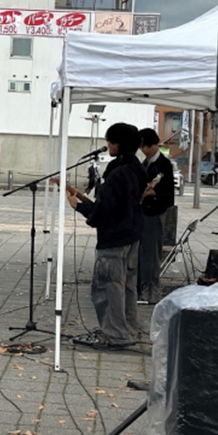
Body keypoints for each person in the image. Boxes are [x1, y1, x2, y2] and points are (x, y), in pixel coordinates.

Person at [62, 123, 146, 350]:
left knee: (108, 287)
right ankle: (129, 329)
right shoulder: (136, 168)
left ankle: (115, 335)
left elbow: (106, 211)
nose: (108, 145)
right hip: (132, 234)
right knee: (126, 287)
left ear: (119, 143)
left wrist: (78, 206)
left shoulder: (119, 173)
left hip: (115, 237)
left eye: (111, 141)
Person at [137, 129, 175, 304]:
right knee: (140, 253)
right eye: (141, 146)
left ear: (154, 145)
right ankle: (141, 287)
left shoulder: (164, 164)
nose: (144, 150)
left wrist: (154, 193)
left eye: (146, 146)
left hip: (155, 212)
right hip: (142, 212)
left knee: (151, 254)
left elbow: (168, 195)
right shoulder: (144, 163)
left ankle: (151, 290)